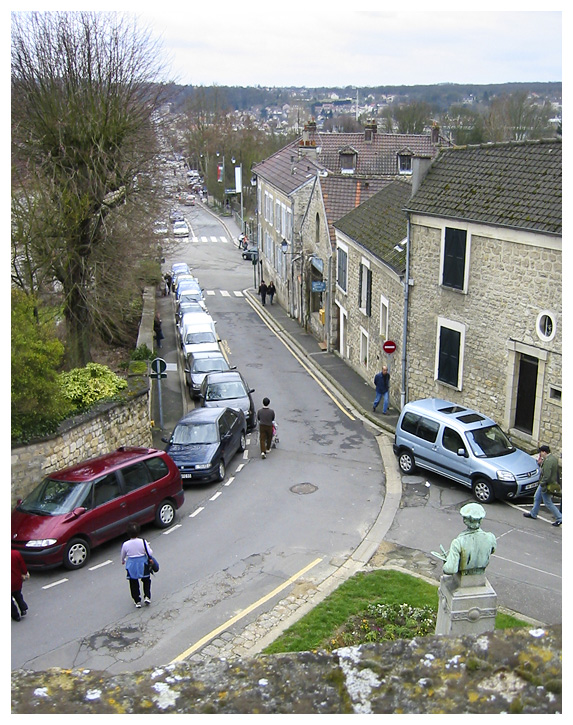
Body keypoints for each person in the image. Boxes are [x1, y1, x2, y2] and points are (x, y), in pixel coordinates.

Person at [524, 445, 562, 526]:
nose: (540, 454)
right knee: (537, 497)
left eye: (541, 452)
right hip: (546, 483)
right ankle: (533, 513)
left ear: (544, 452)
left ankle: (559, 518)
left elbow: (546, 475)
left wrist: (541, 483)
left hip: (545, 484)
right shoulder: (553, 458)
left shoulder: (548, 461)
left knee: (548, 502)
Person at [121, 522, 153, 607]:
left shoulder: (126, 544)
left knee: (133, 582)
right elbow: (150, 552)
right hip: (143, 563)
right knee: (146, 580)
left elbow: (123, 555)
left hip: (132, 565)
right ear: (138, 532)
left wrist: (123, 560)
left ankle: (137, 600)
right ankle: (147, 596)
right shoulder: (143, 541)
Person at [11, 549, 29, 622]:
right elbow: (23, 566)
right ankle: (23, 608)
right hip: (16, 581)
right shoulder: (16, 554)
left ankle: (16, 616)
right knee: (18, 595)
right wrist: (25, 573)